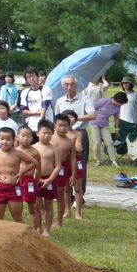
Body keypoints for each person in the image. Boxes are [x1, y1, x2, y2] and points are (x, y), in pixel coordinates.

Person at [51, 75, 95, 216]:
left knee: (79, 163)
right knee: (63, 163)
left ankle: (79, 197)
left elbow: (93, 115)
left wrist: (74, 118)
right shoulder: (60, 101)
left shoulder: (84, 99)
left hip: (79, 131)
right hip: (63, 133)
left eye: (71, 84)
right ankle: (66, 198)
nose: (69, 87)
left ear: (76, 86)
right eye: (66, 85)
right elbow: (57, 119)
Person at [0, 125, 36, 222]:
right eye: (2, 139)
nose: (5, 142)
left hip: (14, 188)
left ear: (13, 140)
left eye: (8, 139)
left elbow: (34, 162)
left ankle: (22, 236)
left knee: (17, 215)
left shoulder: (18, 153)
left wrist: (21, 173)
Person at [34, 121, 62, 236]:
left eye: (49, 133)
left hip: (49, 179)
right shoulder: (33, 148)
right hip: (36, 179)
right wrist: (35, 178)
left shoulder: (54, 149)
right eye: (44, 133)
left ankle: (47, 229)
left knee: (49, 204)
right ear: (38, 133)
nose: (46, 136)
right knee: (37, 205)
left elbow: (58, 166)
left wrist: (49, 180)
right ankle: (38, 227)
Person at [90, 92, 123, 166]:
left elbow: (116, 117)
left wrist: (117, 129)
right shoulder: (103, 101)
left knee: (109, 142)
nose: (121, 105)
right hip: (95, 122)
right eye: (121, 103)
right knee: (97, 142)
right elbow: (92, 109)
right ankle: (98, 160)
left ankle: (113, 160)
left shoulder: (118, 107)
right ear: (117, 100)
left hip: (105, 124)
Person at [18, 66, 52, 132]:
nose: (32, 79)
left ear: (37, 77)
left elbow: (45, 106)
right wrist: (35, 113)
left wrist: (41, 121)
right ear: (26, 80)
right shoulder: (25, 92)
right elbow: (24, 110)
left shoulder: (46, 90)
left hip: (46, 124)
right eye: (29, 77)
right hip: (31, 125)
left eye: (33, 76)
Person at [118, 77, 137, 144]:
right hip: (123, 119)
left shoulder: (136, 94)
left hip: (134, 119)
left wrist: (136, 112)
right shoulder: (121, 94)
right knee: (123, 136)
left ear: (131, 84)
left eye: (127, 83)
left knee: (133, 137)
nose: (125, 85)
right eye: (124, 83)